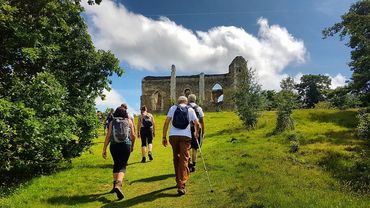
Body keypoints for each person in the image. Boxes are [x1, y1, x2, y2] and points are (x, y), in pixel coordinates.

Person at [162, 96, 200, 195]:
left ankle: (178, 180)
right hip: (185, 137)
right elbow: (197, 124)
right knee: (184, 159)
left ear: (178, 102)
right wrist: (196, 133)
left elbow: (166, 122)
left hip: (173, 136)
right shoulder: (190, 109)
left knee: (176, 158)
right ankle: (181, 185)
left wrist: (164, 137)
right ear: (186, 102)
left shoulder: (173, 108)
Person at [102, 106, 136, 200]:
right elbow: (133, 135)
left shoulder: (112, 122)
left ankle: (114, 186)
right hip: (126, 145)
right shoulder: (129, 121)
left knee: (116, 164)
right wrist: (132, 145)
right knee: (122, 166)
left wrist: (104, 149)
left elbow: (108, 136)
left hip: (114, 146)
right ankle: (118, 184)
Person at [187, 94, 205, 172]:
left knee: (187, 147)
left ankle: (189, 163)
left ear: (188, 100)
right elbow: (202, 121)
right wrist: (203, 132)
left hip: (188, 129)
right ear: (195, 100)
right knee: (195, 148)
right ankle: (193, 165)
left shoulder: (186, 108)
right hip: (197, 128)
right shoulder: (199, 108)